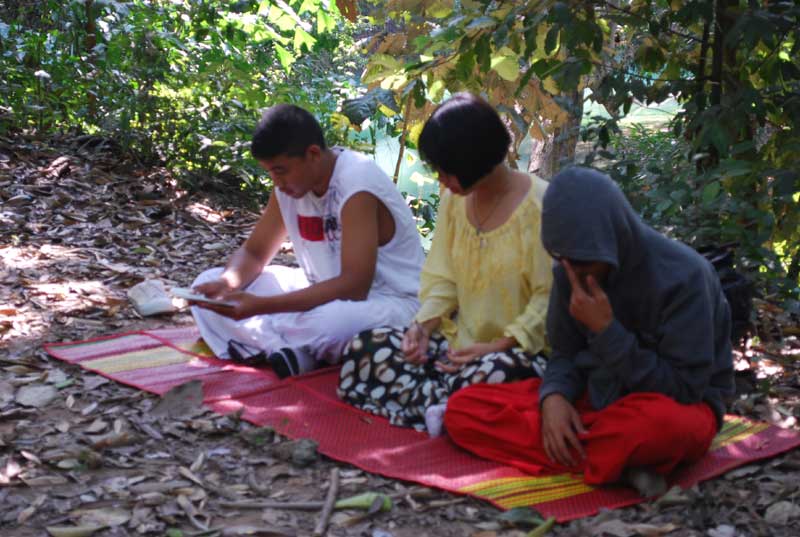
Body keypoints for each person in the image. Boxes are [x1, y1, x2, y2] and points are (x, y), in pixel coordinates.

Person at [445, 167, 735, 496]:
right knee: (463, 410)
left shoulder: (685, 276)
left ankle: (603, 453)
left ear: (614, 239)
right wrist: (554, 398)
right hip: (595, 400)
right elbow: (564, 354)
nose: (574, 273)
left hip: (671, 406)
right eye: (563, 260)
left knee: (653, 429)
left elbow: (684, 389)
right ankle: (620, 463)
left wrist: (606, 331)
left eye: (584, 263)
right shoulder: (569, 270)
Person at [337, 93, 552, 433]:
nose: (441, 181)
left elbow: (548, 301)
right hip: (457, 348)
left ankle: (444, 407)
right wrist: (422, 328)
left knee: (496, 375)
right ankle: (448, 411)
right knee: (365, 346)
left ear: (473, 162)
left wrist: (496, 346)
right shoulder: (455, 199)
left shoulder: (542, 206)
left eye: (446, 171)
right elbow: (443, 276)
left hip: (516, 354)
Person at [189, 104, 425, 378]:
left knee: (332, 324)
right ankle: (285, 349)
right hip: (322, 290)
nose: (277, 182)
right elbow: (254, 254)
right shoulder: (287, 188)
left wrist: (261, 306)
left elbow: (354, 287)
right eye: (270, 173)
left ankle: (272, 344)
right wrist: (227, 284)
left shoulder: (356, 182)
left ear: (312, 154)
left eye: (281, 171)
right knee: (205, 288)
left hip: (391, 304)